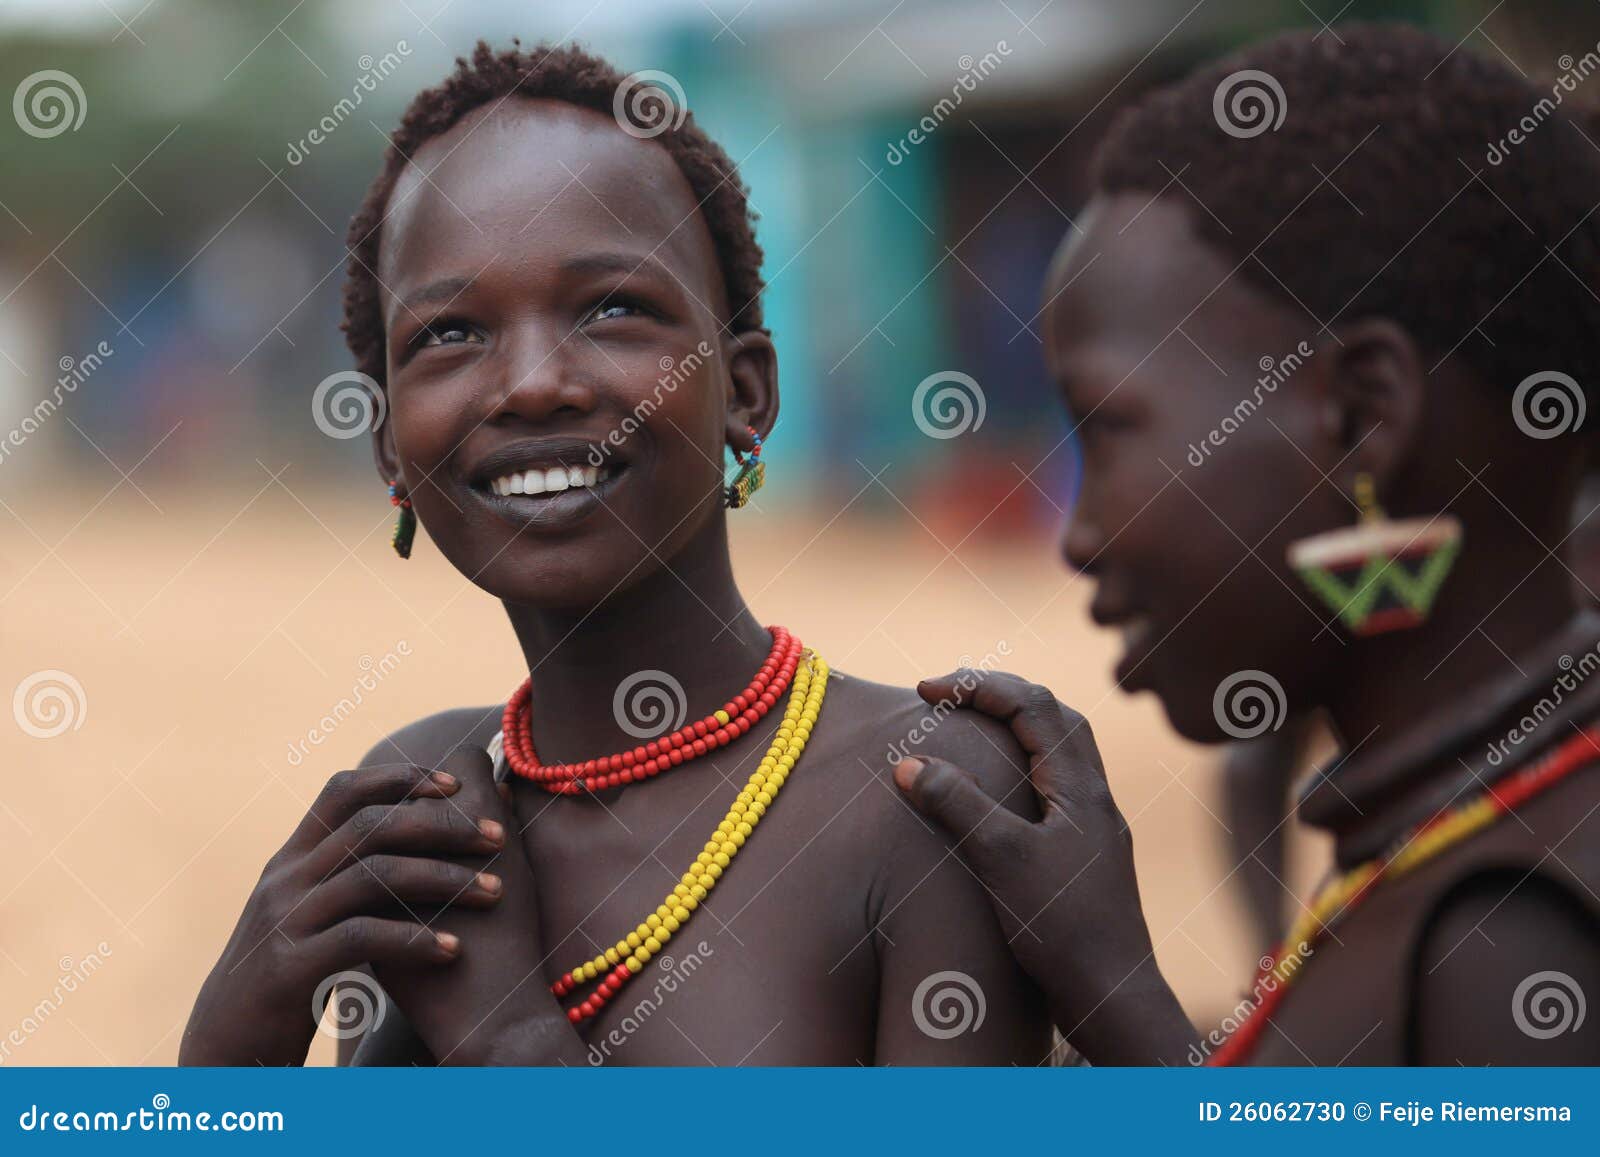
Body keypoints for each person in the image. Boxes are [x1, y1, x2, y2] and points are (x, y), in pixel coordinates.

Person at [180, 41, 1048, 1067]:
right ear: (388, 449)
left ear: (746, 393)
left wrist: (511, 1041)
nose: (534, 383)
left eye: (612, 309)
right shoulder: (417, 809)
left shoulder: (925, 791)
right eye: (451, 333)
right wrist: (235, 1037)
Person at [895, 24, 1600, 1065]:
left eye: (1110, 428)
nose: (1079, 538)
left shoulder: (1501, 934)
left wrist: (1115, 990)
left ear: (1361, 419)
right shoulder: (1442, 847)